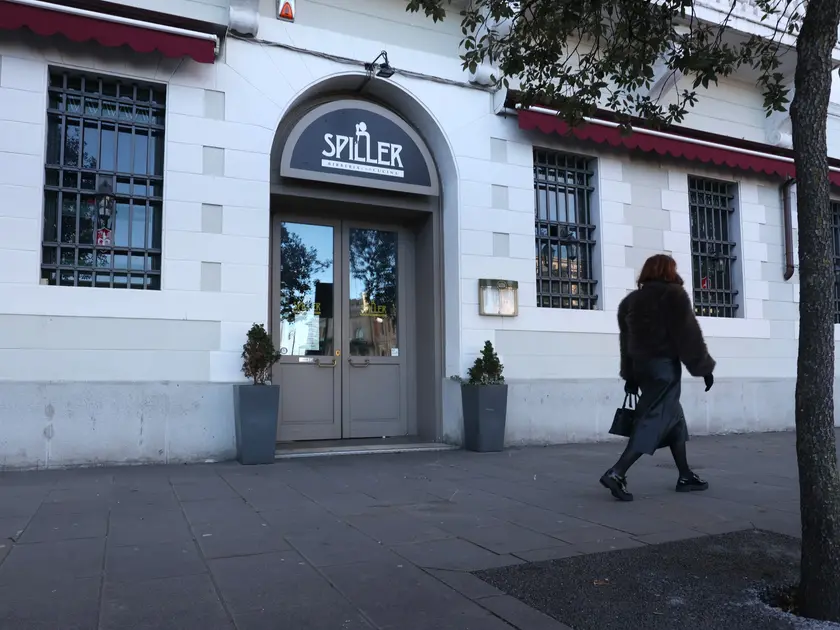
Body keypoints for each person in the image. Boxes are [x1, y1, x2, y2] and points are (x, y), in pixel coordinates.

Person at [600, 254, 716, 502]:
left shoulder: (630, 302)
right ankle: (617, 472)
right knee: (653, 420)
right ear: (668, 272)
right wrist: (704, 368)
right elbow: (688, 335)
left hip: (643, 369)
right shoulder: (673, 296)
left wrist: (631, 377)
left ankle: (685, 475)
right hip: (665, 369)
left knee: (674, 419)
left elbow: (626, 344)